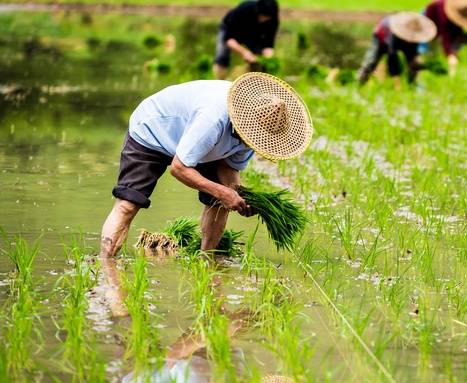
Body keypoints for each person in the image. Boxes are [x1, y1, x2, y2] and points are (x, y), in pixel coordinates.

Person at [98, 72, 313, 315]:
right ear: (243, 121)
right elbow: (179, 168)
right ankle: (106, 272)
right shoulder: (214, 118)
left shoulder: (254, 136)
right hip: (153, 131)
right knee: (128, 204)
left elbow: (229, 169)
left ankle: (207, 264)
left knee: (220, 203)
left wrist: (238, 196)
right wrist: (222, 192)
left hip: (202, 146)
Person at [357, 12, 437, 87]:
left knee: (413, 63)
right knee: (372, 60)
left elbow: (412, 55)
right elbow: (392, 56)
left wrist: (419, 65)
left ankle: (412, 85)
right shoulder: (394, 33)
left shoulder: (415, 38)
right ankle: (360, 83)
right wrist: (396, 80)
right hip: (381, 37)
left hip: (398, 40)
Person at [214, 0, 280, 79]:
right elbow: (229, 40)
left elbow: (268, 44)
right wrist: (244, 52)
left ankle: (252, 82)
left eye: (267, 18)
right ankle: (219, 80)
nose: (264, 20)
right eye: (263, 16)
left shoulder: (273, 19)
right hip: (231, 30)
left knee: (259, 63)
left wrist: (268, 58)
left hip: (253, 33)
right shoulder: (244, 9)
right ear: (258, 12)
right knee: (222, 57)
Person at [424, 0, 467, 76]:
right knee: (431, 49)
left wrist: (455, 50)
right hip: (430, 18)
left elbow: (457, 32)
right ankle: (430, 67)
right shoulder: (444, 16)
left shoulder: (458, 14)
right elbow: (446, 37)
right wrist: (450, 54)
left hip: (444, 21)